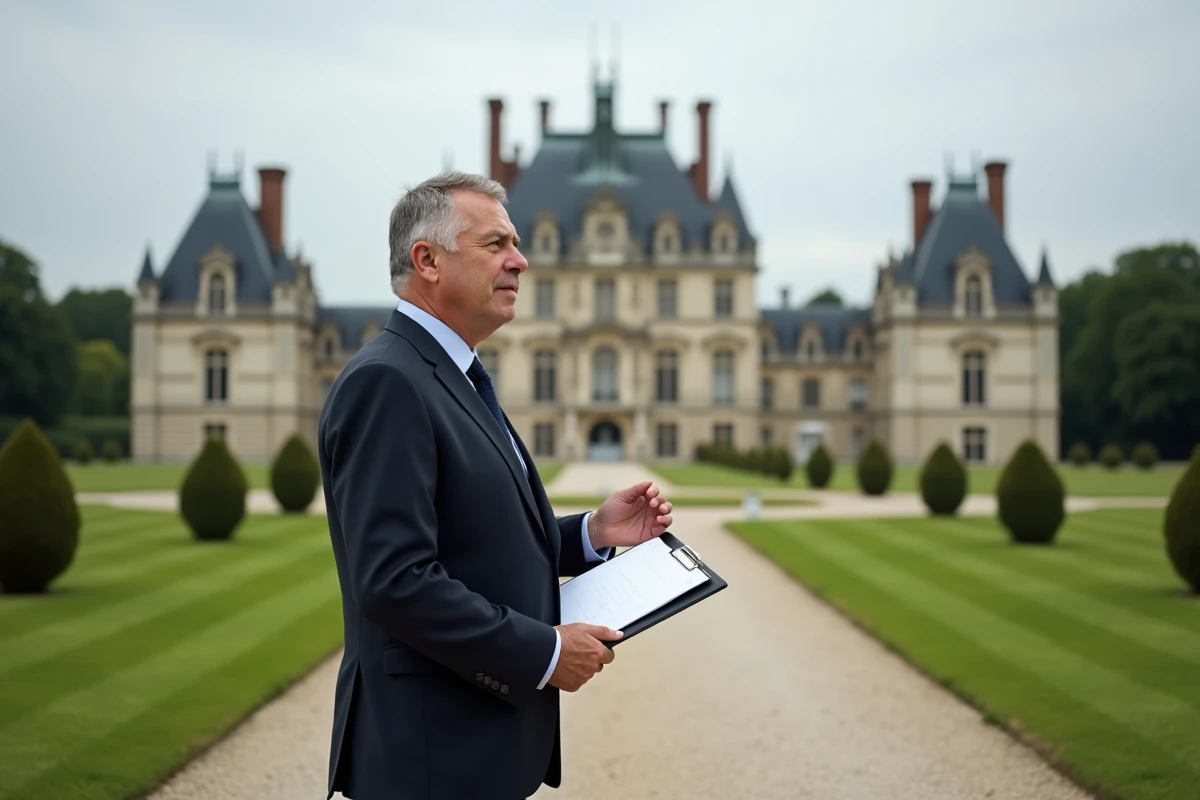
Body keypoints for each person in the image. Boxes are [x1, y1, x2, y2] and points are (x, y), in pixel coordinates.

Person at [317, 171, 674, 800]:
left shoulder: (451, 374)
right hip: (431, 754)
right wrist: (542, 651)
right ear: (426, 260)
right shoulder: (390, 382)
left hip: (469, 741)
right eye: (496, 246)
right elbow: (394, 581)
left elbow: (473, 537)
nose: (521, 261)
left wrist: (589, 534)